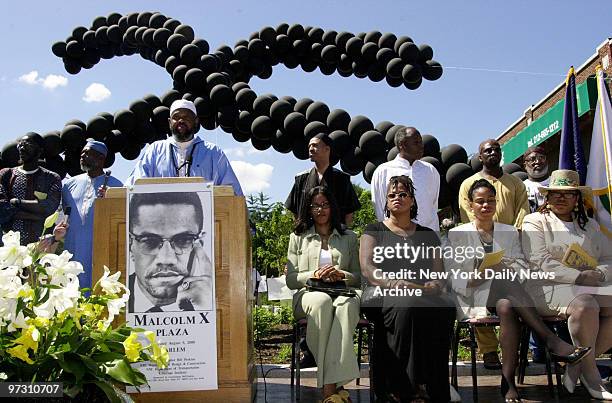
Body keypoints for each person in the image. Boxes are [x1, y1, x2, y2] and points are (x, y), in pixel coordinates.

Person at [448, 179, 590, 402]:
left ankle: (508, 382)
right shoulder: (457, 234)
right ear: (470, 205)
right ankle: (550, 339)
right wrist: (477, 276)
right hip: (475, 296)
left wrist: (506, 266)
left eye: (491, 201)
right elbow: (454, 278)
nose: (486, 205)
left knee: (506, 306)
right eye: (480, 201)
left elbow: (523, 266)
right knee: (503, 286)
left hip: (508, 295)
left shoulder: (509, 231)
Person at [360, 175, 455, 402]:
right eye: (392, 195)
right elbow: (367, 267)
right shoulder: (373, 230)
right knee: (407, 306)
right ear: (386, 201)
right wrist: (392, 282)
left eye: (403, 194)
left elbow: (439, 272)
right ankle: (404, 389)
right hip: (385, 293)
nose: (397, 198)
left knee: (446, 307)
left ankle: (435, 387)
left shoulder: (427, 234)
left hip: (422, 293)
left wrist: (437, 283)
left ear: (412, 201)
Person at [522, 169, 612, 400]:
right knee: (586, 305)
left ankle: (577, 365)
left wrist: (599, 274)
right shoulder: (535, 221)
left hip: (587, 287)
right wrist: (578, 277)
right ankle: (592, 377)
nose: (561, 198)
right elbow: (539, 260)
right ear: (547, 197)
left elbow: (607, 258)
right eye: (555, 193)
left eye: (567, 194)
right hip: (546, 288)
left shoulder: (589, 225)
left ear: (577, 199)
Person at [458, 138, 530, 369]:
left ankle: (516, 349)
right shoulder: (468, 183)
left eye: (496, 149)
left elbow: (522, 212)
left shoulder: (515, 183)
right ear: (480, 156)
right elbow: (469, 214)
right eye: (487, 150)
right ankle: (489, 351)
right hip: (478, 248)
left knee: (516, 291)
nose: (492, 153)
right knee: (478, 292)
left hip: (510, 246)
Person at [286, 186, 361, 403]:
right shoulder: (297, 237)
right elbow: (291, 279)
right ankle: (333, 387)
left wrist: (340, 274)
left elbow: (358, 277)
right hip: (308, 293)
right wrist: (315, 274)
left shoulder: (349, 237)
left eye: (325, 204)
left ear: (332, 207)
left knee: (345, 307)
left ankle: (328, 388)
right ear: (308, 209)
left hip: (343, 291)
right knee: (321, 302)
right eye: (315, 205)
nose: (320, 210)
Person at [126, 99, 243, 196]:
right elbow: (133, 188)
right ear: (169, 122)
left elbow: (232, 192)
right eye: (176, 117)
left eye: (187, 117)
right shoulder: (155, 150)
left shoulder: (213, 152)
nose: (181, 120)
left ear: (196, 121)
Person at [127, 191, 213, 313]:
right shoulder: (111, 298)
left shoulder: (220, 300)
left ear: (200, 245)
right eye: (150, 241)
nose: (166, 259)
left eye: (183, 240)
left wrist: (208, 312)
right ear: (131, 245)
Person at [61, 140, 123, 288]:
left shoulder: (116, 186)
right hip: (73, 246)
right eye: (82, 153)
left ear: (101, 158)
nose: (82, 156)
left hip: (100, 247)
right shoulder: (69, 185)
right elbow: (67, 214)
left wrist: (108, 198)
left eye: (87, 153)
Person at [370, 127, 440, 231]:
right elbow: (380, 208)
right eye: (416, 142)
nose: (421, 146)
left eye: (421, 142)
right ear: (402, 145)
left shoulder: (430, 170)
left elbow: (433, 206)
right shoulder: (383, 171)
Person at [285, 133, 360, 226]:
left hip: (335, 236)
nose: (311, 149)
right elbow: (295, 210)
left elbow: (349, 213)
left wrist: (342, 234)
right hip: (307, 236)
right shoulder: (301, 178)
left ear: (327, 149)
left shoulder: (342, 178)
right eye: (309, 146)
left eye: (315, 145)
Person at [0, 132, 61, 245]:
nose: (22, 148)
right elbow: (2, 209)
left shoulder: (51, 178)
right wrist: (38, 215)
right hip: (9, 246)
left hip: (41, 245)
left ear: (40, 151)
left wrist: (17, 202)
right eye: (20, 145)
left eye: (27, 145)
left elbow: (49, 207)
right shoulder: (5, 174)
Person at [522, 146, 550, 213]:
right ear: (525, 166)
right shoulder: (521, 188)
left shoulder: (556, 182)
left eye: (541, 158)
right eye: (532, 159)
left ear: (547, 162)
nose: (537, 162)